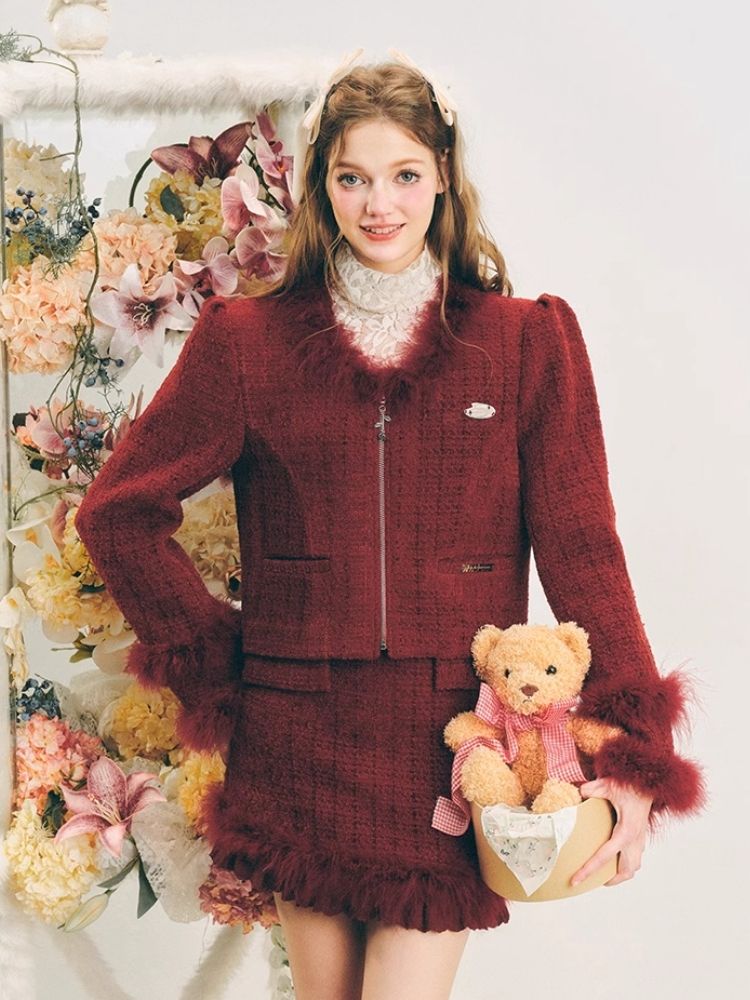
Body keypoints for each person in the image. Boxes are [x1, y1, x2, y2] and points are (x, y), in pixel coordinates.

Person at [74, 49, 705, 1000]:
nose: (380, 205)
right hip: (294, 733)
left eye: (405, 175)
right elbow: (119, 514)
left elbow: (582, 545)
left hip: (453, 743)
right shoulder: (246, 343)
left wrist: (629, 749)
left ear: (443, 176)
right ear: (321, 187)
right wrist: (215, 662)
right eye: (353, 178)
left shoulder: (523, 342)